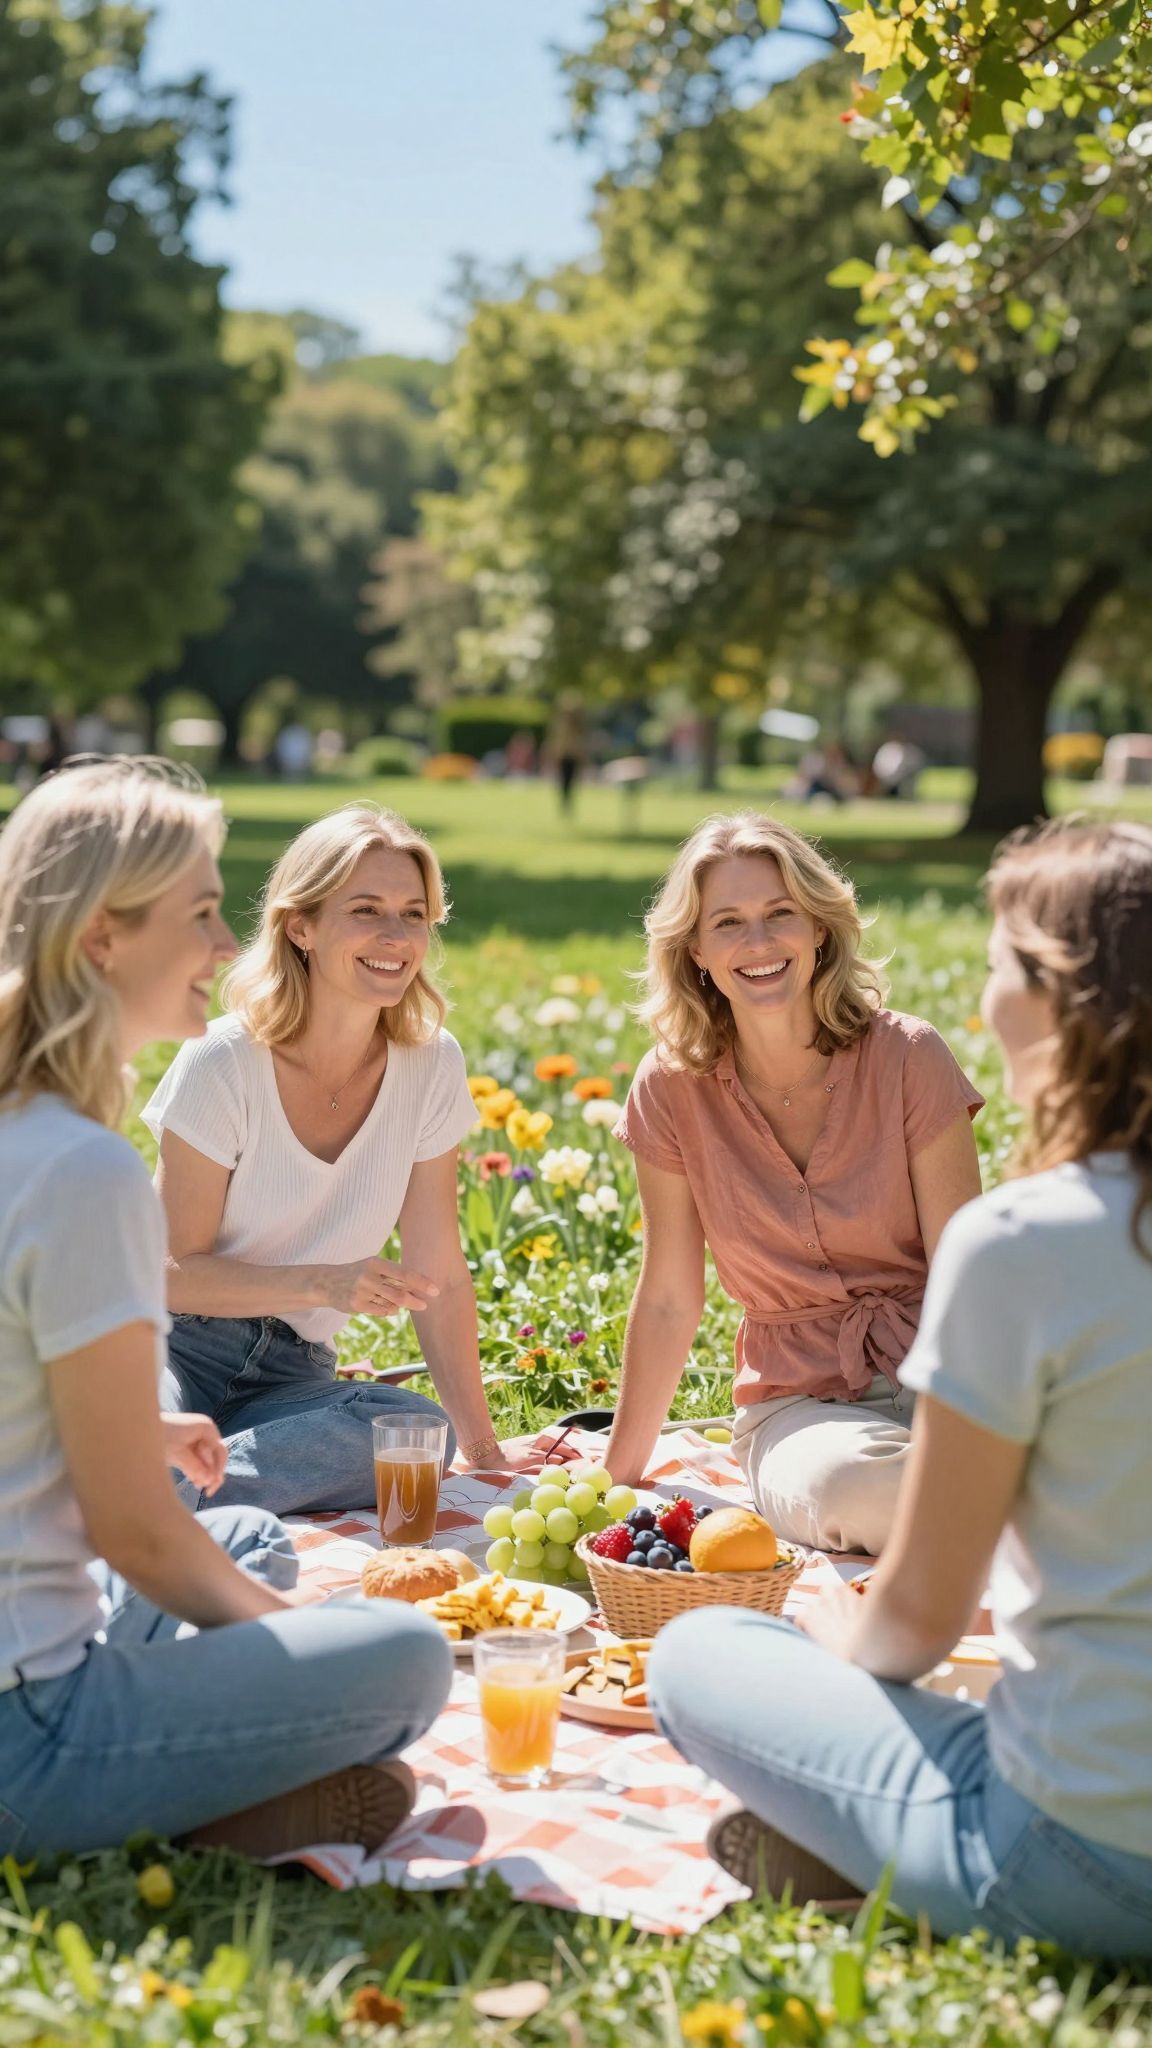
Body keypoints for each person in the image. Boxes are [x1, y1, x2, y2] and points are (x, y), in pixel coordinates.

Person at [649, 820, 1152, 1955]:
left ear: (1054, 996)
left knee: (701, 1653)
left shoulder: (1023, 1240)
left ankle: (868, 1845)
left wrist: (842, 1626)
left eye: (998, 964)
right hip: (817, 1411)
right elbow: (668, 1291)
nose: (982, 999)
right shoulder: (682, 1088)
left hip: (1072, 1854)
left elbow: (917, 1623)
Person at [0, 759, 451, 1860]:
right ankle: (167, 1799)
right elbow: (141, 1535)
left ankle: (201, 1778)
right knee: (404, 1654)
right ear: (104, 935)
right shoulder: (82, 1168)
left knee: (245, 1532)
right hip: (31, 1724)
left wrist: (132, 1430)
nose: (221, 945)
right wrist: (301, 1657)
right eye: (202, 913)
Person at [143, 803, 535, 1517]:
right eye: (366, 909)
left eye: (413, 914)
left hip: (293, 1376)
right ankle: (152, 1480)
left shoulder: (430, 1065)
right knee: (128, 1424)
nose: (396, 936)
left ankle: (155, 1496)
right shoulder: (223, 1061)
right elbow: (166, 1276)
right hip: (170, 1354)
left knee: (416, 1435)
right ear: (302, 926)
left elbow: (439, 1273)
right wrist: (324, 1282)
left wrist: (484, 1451)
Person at [605, 813, 983, 1554]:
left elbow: (966, 1277)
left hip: (951, 1381)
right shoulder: (670, 1089)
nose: (759, 943)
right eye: (730, 923)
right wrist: (615, 1478)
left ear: (819, 929)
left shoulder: (909, 1057)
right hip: (802, 1407)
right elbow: (670, 1297)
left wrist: (965, 1427)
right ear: (697, 953)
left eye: (781, 914)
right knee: (868, 1490)